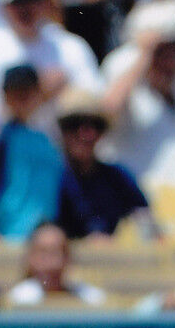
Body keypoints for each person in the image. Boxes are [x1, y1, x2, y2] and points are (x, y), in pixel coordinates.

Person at [100, 0, 175, 190]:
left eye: (174, 47)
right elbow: (106, 113)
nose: (169, 59)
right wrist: (145, 55)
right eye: (161, 50)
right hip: (141, 195)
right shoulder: (121, 66)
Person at [0, 64, 63, 241]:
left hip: (44, 234)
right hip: (9, 234)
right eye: (16, 92)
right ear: (5, 96)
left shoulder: (47, 140)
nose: (22, 98)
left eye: (27, 92)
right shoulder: (1, 141)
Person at [51, 90, 153, 241]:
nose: (86, 135)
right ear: (62, 130)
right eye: (74, 124)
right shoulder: (49, 179)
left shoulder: (118, 178)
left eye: (95, 125)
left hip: (113, 261)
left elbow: (146, 221)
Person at [5, 222, 106, 308]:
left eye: (57, 252)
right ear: (29, 258)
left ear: (68, 258)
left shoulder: (91, 299)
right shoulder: (18, 300)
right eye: (43, 253)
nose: (50, 263)